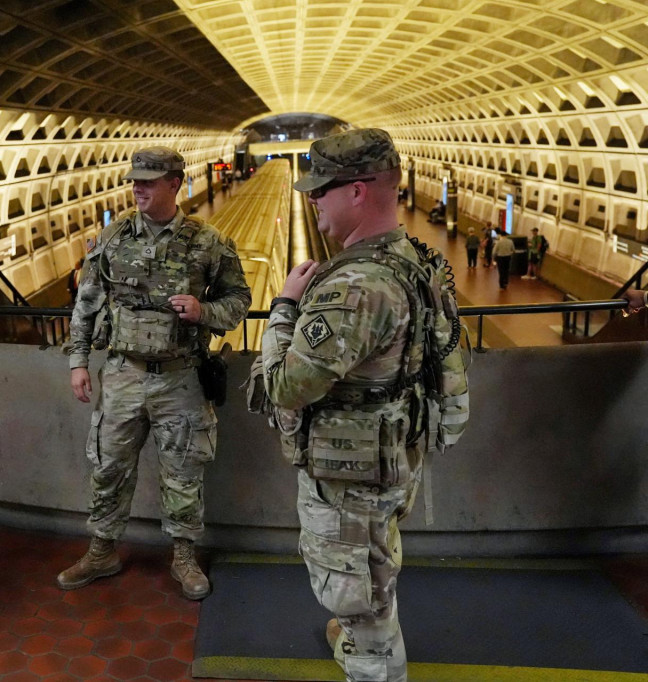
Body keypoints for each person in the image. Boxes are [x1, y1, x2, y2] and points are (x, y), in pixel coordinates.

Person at [261, 128, 461, 682]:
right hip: (393, 455)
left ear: (357, 191)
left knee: (358, 590)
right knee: (375, 572)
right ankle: (363, 641)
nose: (311, 198)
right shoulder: (419, 259)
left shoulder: (352, 287)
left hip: (351, 476)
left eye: (321, 189)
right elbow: (447, 363)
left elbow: (285, 386)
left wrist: (283, 308)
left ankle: (370, 662)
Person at [61, 146, 251, 600]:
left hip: (181, 378)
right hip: (123, 374)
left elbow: (238, 301)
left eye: (148, 180)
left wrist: (204, 310)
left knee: (183, 471)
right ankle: (103, 549)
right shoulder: (112, 238)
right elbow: (86, 302)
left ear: (174, 183)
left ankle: (183, 557)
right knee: (108, 466)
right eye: (134, 180)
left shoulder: (209, 242)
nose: (138, 188)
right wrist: (78, 361)